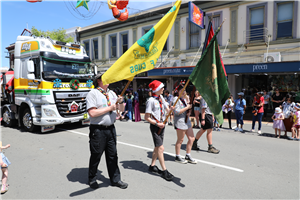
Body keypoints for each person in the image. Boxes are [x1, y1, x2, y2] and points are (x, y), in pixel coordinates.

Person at [86, 73, 128, 189]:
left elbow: (121, 109)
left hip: (111, 129)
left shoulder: (111, 93)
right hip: (98, 130)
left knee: (113, 155)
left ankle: (115, 179)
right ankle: (92, 178)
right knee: (96, 155)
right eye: (104, 77)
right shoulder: (93, 93)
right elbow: (92, 113)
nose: (108, 79)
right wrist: (110, 108)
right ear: (99, 80)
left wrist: (120, 102)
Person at [145, 80, 174, 181]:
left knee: (157, 147)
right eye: (161, 88)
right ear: (156, 89)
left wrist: (171, 109)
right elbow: (147, 117)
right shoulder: (151, 101)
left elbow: (167, 110)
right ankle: (164, 171)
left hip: (162, 125)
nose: (163, 89)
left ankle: (152, 166)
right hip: (155, 126)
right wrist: (157, 124)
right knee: (161, 148)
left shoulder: (161, 98)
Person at [173, 83, 197, 164]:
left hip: (187, 121)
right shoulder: (176, 99)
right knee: (180, 140)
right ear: (178, 91)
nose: (183, 92)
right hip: (180, 121)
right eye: (181, 90)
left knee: (192, 138)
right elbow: (176, 112)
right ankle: (177, 156)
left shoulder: (185, 99)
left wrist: (189, 106)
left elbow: (188, 110)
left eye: (184, 90)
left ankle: (188, 154)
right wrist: (187, 107)